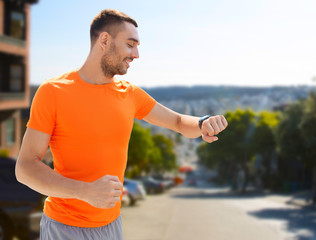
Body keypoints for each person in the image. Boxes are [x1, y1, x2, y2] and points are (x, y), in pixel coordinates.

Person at [15, 9, 228, 240]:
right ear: (104, 40)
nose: (136, 54)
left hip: (112, 226)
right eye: (130, 44)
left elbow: (177, 121)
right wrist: (85, 192)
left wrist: (203, 123)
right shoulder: (52, 92)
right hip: (64, 228)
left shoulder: (130, 94)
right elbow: (25, 168)